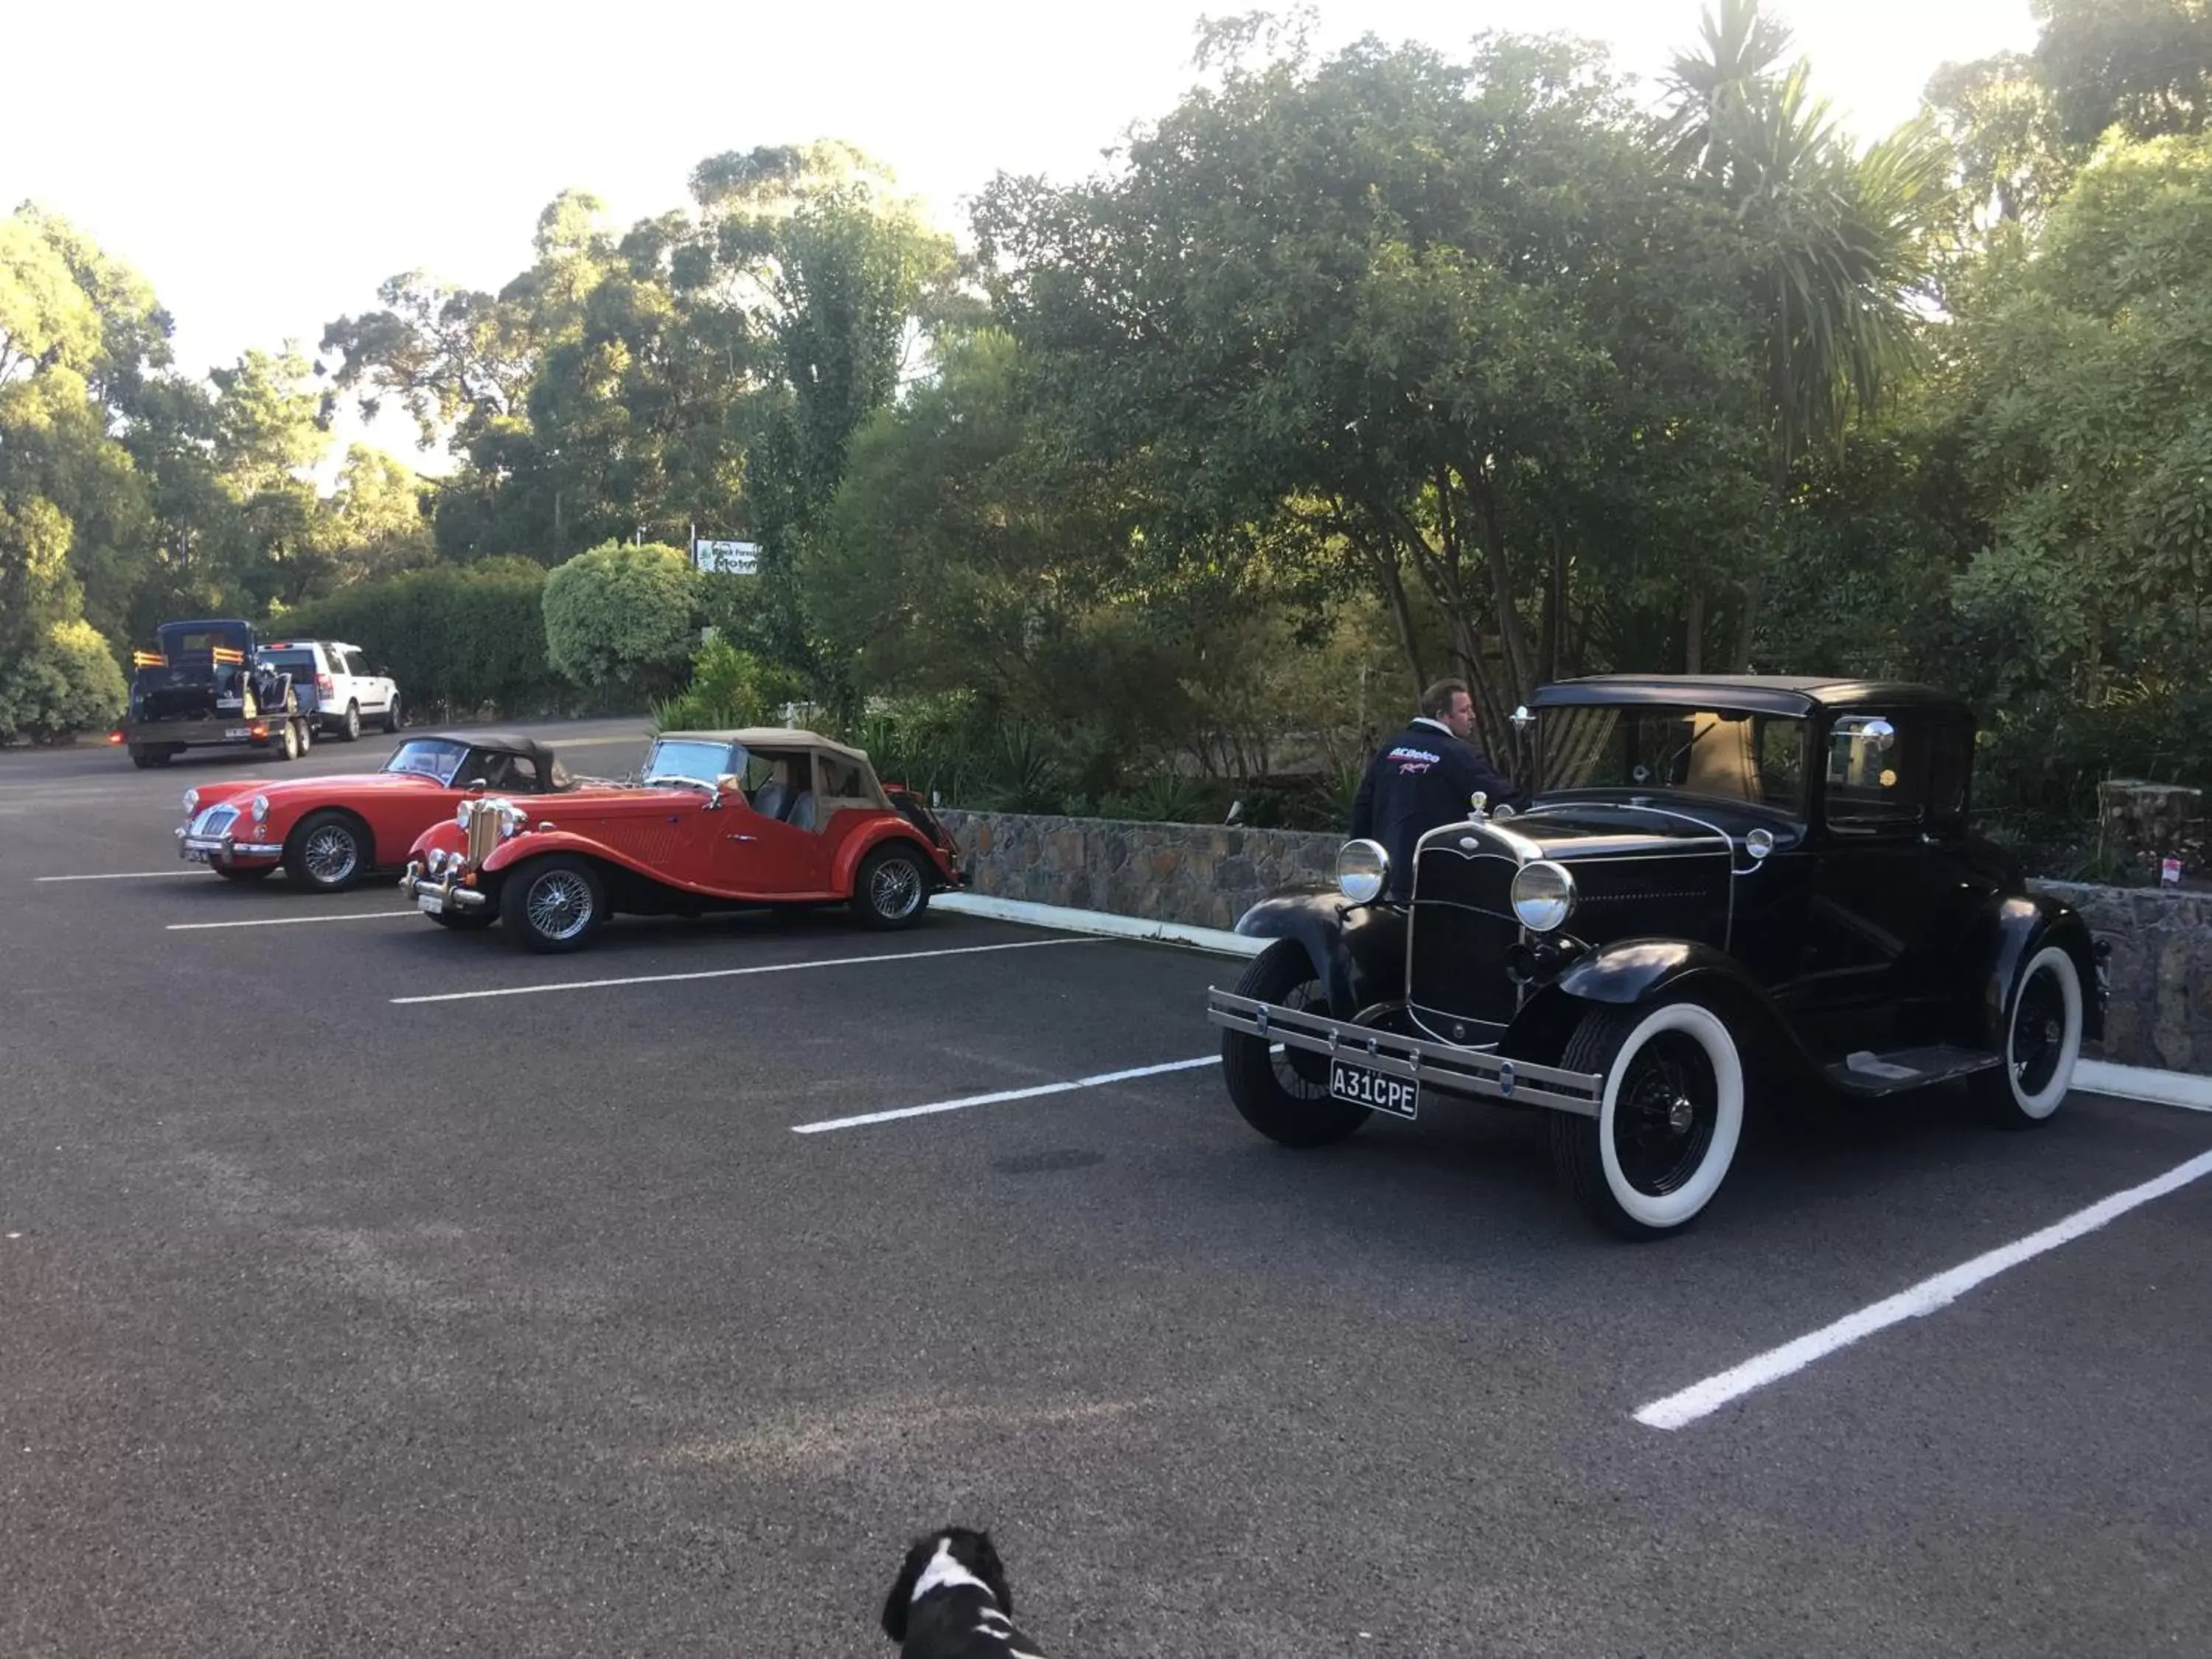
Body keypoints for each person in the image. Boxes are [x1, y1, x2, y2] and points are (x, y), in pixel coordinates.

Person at [1347, 678, 1528, 898]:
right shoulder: (1460, 754)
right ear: (1442, 715)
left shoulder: (1391, 748)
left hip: (1387, 877)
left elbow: (1363, 806)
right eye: (1465, 710)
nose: (1472, 716)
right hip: (1438, 877)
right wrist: (1534, 811)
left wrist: (1358, 864)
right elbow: (1504, 799)